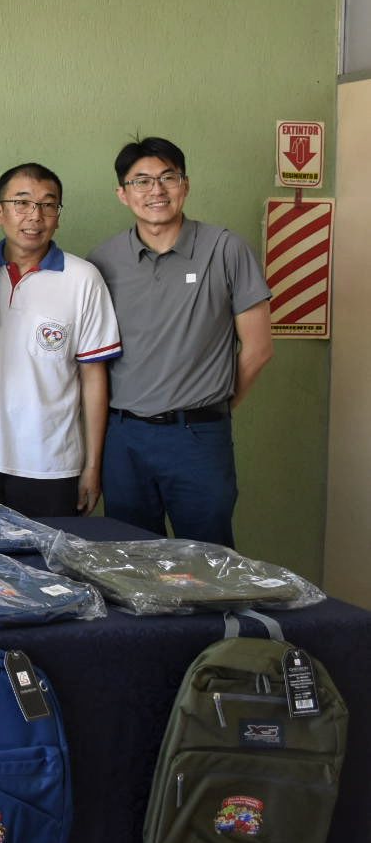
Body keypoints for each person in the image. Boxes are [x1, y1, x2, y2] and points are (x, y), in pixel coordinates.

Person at [87, 137, 273, 546]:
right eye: (141, 181)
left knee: (208, 559)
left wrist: (214, 405)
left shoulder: (225, 249)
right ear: (122, 193)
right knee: (130, 561)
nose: (156, 190)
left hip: (198, 438)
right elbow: (92, 362)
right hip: (125, 439)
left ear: (185, 185)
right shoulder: (102, 262)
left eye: (168, 177)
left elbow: (259, 348)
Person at [0, 163, 121, 517]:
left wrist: (92, 466)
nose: (35, 216)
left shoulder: (83, 279)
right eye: (22, 203)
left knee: (50, 553)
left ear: (58, 216)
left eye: (48, 204)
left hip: (52, 464)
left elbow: (93, 377)